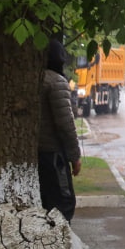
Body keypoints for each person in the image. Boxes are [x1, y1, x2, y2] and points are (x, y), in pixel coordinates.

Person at [40, 38, 82, 220]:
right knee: (63, 204)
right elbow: (66, 125)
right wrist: (75, 156)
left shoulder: (34, 79)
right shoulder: (56, 82)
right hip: (53, 155)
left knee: (45, 203)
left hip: (35, 154)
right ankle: (59, 245)